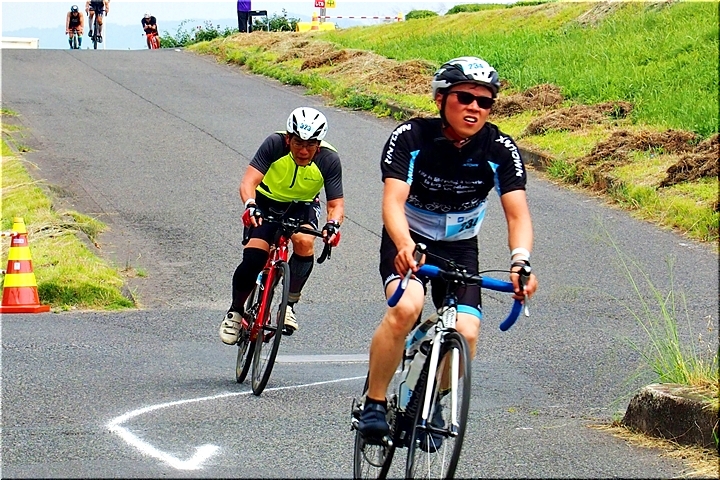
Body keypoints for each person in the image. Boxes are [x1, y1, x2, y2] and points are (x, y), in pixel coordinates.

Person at [356, 56, 539, 438]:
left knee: (467, 331)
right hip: (410, 237)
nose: (474, 107)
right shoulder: (411, 137)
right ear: (440, 99)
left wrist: (521, 263)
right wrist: (404, 245)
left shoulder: (499, 148)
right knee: (406, 307)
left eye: (484, 101)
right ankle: (374, 402)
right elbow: (392, 202)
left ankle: (429, 401)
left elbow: (517, 215)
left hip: (459, 245)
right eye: (464, 97)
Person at [219, 107, 344, 344]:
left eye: (311, 144)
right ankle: (235, 312)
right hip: (266, 202)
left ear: (319, 144)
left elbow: (336, 204)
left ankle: (288, 306)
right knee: (255, 256)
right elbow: (248, 182)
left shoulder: (329, 159)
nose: (304, 150)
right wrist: (250, 204)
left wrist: (333, 225)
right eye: (298, 143)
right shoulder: (274, 145)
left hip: (302, 206)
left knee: (305, 241)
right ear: (288, 139)